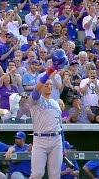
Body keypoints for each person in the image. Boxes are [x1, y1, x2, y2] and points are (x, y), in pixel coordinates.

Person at [28, 49, 67, 178]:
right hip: (40, 139)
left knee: (55, 175)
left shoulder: (56, 103)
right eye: (47, 84)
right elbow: (37, 88)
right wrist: (50, 70)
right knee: (37, 174)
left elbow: (60, 126)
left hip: (56, 139)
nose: (49, 86)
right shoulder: (36, 100)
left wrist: (64, 144)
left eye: (51, 84)